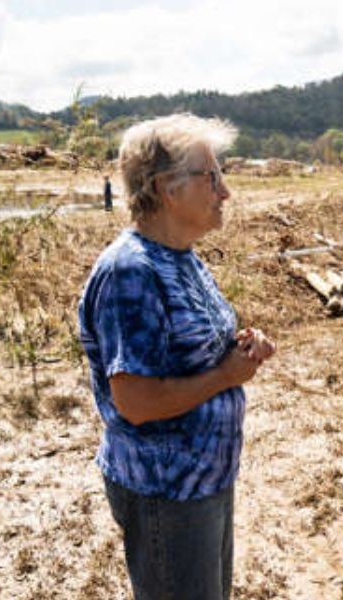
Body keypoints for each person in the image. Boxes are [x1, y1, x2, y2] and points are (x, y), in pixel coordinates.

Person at [77, 113, 275, 600]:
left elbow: (199, 350)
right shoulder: (131, 272)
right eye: (213, 177)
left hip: (204, 481)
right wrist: (227, 375)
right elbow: (136, 402)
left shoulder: (181, 255)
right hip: (167, 492)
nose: (224, 192)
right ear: (168, 187)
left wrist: (245, 347)